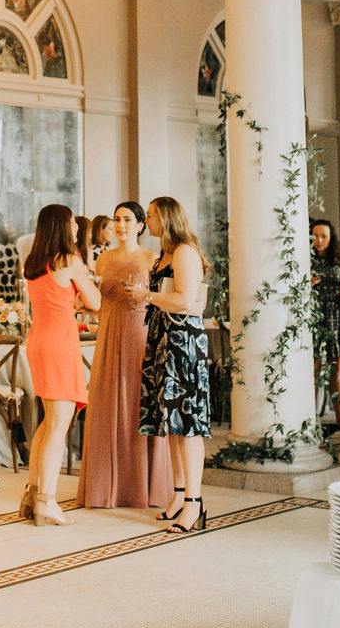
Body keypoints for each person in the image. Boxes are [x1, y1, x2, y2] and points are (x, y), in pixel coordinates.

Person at [77, 202, 173, 510]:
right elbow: (95, 301)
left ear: (141, 225)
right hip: (108, 334)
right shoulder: (102, 260)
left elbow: (163, 301)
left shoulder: (152, 258)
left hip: (139, 336)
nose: (121, 225)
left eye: (128, 219)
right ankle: (107, 486)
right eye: (117, 219)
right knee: (106, 404)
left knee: (137, 403)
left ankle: (142, 485)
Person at [23, 204, 101, 526]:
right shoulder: (69, 260)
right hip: (59, 344)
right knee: (59, 424)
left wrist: (73, 299)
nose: (77, 229)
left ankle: (32, 493)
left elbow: (56, 298)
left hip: (39, 342)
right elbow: (96, 302)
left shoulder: (35, 263)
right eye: (72, 223)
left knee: (48, 422)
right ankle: (47, 501)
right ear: (62, 226)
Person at [137, 197, 210, 535]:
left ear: (165, 218)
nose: (146, 220)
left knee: (189, 424)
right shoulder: (162, 255)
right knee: (174, 423)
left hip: (184, 343)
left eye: (150, 215)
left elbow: (184, 299)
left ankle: (195, 503)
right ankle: (179, 495)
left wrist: (147, 297)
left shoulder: (184, 252)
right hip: (163, 339)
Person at [310, 220, 340, 432]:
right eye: (316, 236)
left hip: (337, 317)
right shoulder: (305, 258)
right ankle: (308, 417)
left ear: (331, 239)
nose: (319, 241)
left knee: (335, 369)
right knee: (312, 368)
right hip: (315, 317)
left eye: (324, 236)